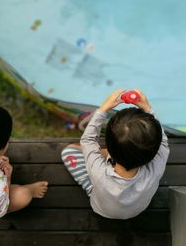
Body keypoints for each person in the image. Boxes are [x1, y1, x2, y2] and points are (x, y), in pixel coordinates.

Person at [61, 89, 169, 219]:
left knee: (69, 150)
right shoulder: (157, 166)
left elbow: (88, 140)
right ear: (155, 151)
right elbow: (163, 142)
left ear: (110, 150)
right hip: (137, 210)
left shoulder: (99, 172)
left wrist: (103, 108)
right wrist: (148, 108)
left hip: (101, 208)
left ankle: (90, 186)